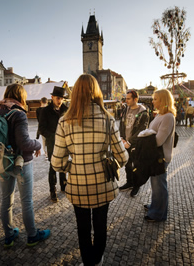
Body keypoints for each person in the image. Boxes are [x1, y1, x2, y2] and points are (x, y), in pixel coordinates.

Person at [51, 74, 128, 266]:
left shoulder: (64, 121)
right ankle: (97, 261)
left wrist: (74, 166)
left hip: (78, 185)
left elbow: (57, 163)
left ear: (75, 93)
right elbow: (123, 157)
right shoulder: (108, 119)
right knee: (101, 226)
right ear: (96, 92)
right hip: (103, 184)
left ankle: (88, 262)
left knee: (83, 228)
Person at [0, 83, 50, 248]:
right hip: (21, 163)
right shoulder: (18, 113)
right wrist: (38, 144)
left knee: (6, 201)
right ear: (21, 96)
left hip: (2, 162)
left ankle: (9, 236)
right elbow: (24, 142)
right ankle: (32, 235)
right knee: (26, 201)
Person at [144, 89, 176, 222]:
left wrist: (144, 137)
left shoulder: (168, 116)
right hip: (155, 156)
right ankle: (156, 205)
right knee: (155, 184)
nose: (152, 101)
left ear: (163, 100)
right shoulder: (159, 115)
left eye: (155, 99)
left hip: (161, 157)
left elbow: (158, 140)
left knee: (159, 185)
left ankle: (158, 214)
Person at [39, 86, 68, 202]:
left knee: (64, 164)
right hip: (52, 143)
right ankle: (53, 190)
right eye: (57, 98)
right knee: (53, 167)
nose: (59, 100)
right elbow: (41, 128)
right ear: (52, 97)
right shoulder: (45, 111)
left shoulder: (66, 109)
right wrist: (52, 136)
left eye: (61, 98)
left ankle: (64, 185)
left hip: (64, 144)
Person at [118, 90, 149, 197]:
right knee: (127, 164)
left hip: (136, 144)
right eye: (126, 98)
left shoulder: (143, 112)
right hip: (125, 142)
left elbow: (142, 129)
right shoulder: (126, 109)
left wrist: (130, 142)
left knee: (136, 165)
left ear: (135, 99)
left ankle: (136, 185)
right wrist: (122, 138)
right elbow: (122, 124)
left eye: (128, 98)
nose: (126, 100)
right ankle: (129, 182)